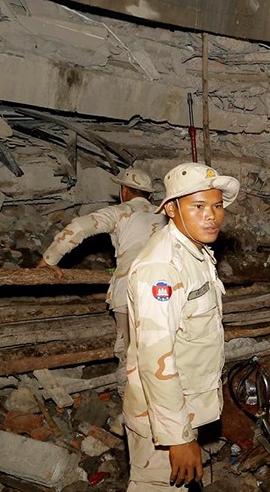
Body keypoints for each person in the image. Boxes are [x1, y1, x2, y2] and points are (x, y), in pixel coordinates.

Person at [123, 162, 239, 491]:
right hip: (159, 420)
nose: (212, 216)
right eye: (198, 206)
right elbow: (155, 357)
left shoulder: (195, 253)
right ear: (172, 209)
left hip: (182, 408)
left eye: (217, 206)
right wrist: (177, 437)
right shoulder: (162, 267)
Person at [39, 167, 166, 398]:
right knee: (161, 350)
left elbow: (78, 228)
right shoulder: (165, 215)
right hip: (165, 290)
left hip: (130, 287)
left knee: (129, 351)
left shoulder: (120, 211)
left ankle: (130, 408)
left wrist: (50, 259)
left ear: (124, 190)